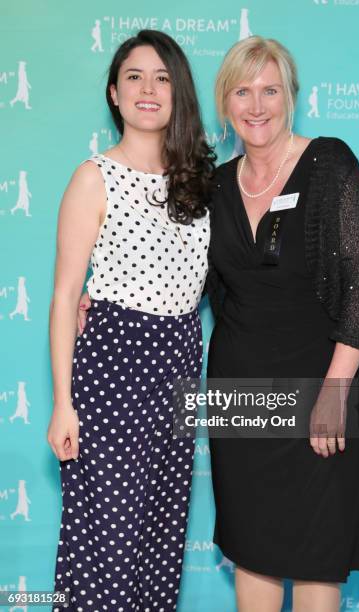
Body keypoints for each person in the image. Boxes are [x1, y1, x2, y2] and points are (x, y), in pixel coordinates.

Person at [206, 37, 359, 612]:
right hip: (240, 393)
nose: (257, 105)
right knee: (251, 551)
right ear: (225, 102)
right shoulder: (214, 186)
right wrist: (101, 302)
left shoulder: (330, 162)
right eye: (243, 90)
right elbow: (186, 281)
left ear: (292, 97)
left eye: (270, 90)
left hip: (322, 392)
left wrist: (335, 392)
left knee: (315, 560)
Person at [46, 30, 215, 611]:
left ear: (179, 93)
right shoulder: (93, 177)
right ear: (114, 94)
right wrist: (63, 403)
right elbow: (67, 295)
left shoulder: (201, 184)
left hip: (180, 367)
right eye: (135, 77)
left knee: (160, 542)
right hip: (113, 370)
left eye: (163, 78)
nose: (149, 89)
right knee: (108, 545)